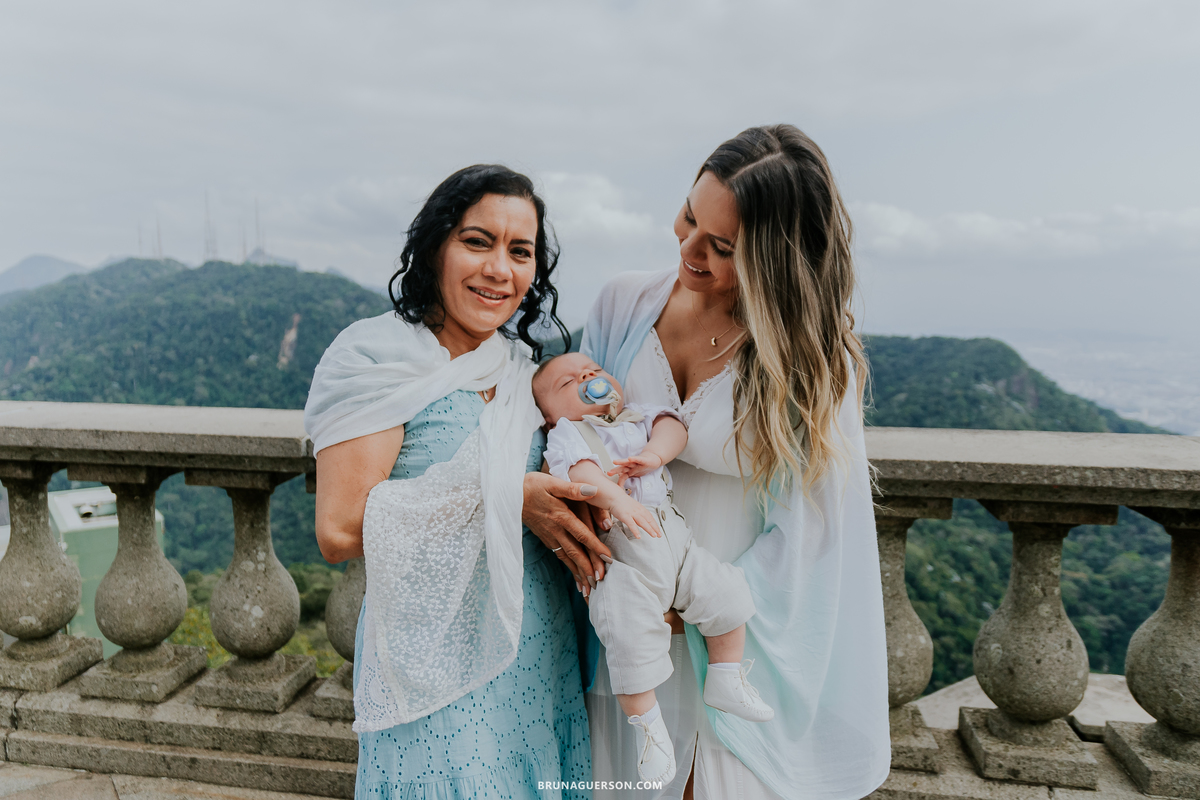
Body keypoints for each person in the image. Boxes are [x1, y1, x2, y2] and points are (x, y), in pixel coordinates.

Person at [581, 125, 890, 800]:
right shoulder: (621, 304)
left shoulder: (814, 360)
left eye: (722, 247)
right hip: (625, 616)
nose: (688, 248)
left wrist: (693, 602)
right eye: (690, 217)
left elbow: (813, 533)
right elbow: (575, 438)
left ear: (775, 259)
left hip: (733, 632)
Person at [305, 165, 602, 799]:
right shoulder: (378, 358)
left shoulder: (524, 369)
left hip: (540, 655)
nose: (500, 268)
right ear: (435, 245)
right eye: (477, 241)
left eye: (520, 252)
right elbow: (337, 528)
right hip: (434, 668)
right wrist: (507, 498)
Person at [532, 352, 773, 786]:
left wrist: (654, 455)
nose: (587, 376)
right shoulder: (568, 434)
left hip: (673, 537)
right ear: (550, 415)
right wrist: (616, 498)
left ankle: (726, 675)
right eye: (569, 382)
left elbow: (674, 427)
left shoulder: (637, 415)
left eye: (593, 370)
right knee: (627, 634)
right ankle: (649, 731)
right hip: (622, 552)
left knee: (726, 591)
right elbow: (583, 473)